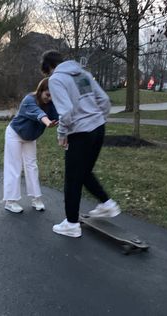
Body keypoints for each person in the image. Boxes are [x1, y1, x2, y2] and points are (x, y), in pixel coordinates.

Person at [40, 50, 121, 238]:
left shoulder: (56, 79)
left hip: (81, 132)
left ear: (49, 68)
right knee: (84, 172)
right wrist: (98, 119)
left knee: (72, 179)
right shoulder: (82, 74)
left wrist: (62, 133)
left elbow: (66, 111)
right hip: (98, 129)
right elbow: (105, 100)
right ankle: (107, 204)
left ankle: (71, 224)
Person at [3, 78, 58, 213]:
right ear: (40, 91)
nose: (49, 99)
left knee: (32, 166)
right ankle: (10, 201)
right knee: (14, 166)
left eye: (52, 96)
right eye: (47, 95)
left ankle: (36, 198)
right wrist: (47, 123)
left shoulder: (51, 104)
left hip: (30, 137)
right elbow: (39, 114)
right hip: (15, 134)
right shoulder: (29, 100)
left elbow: (60, 116)